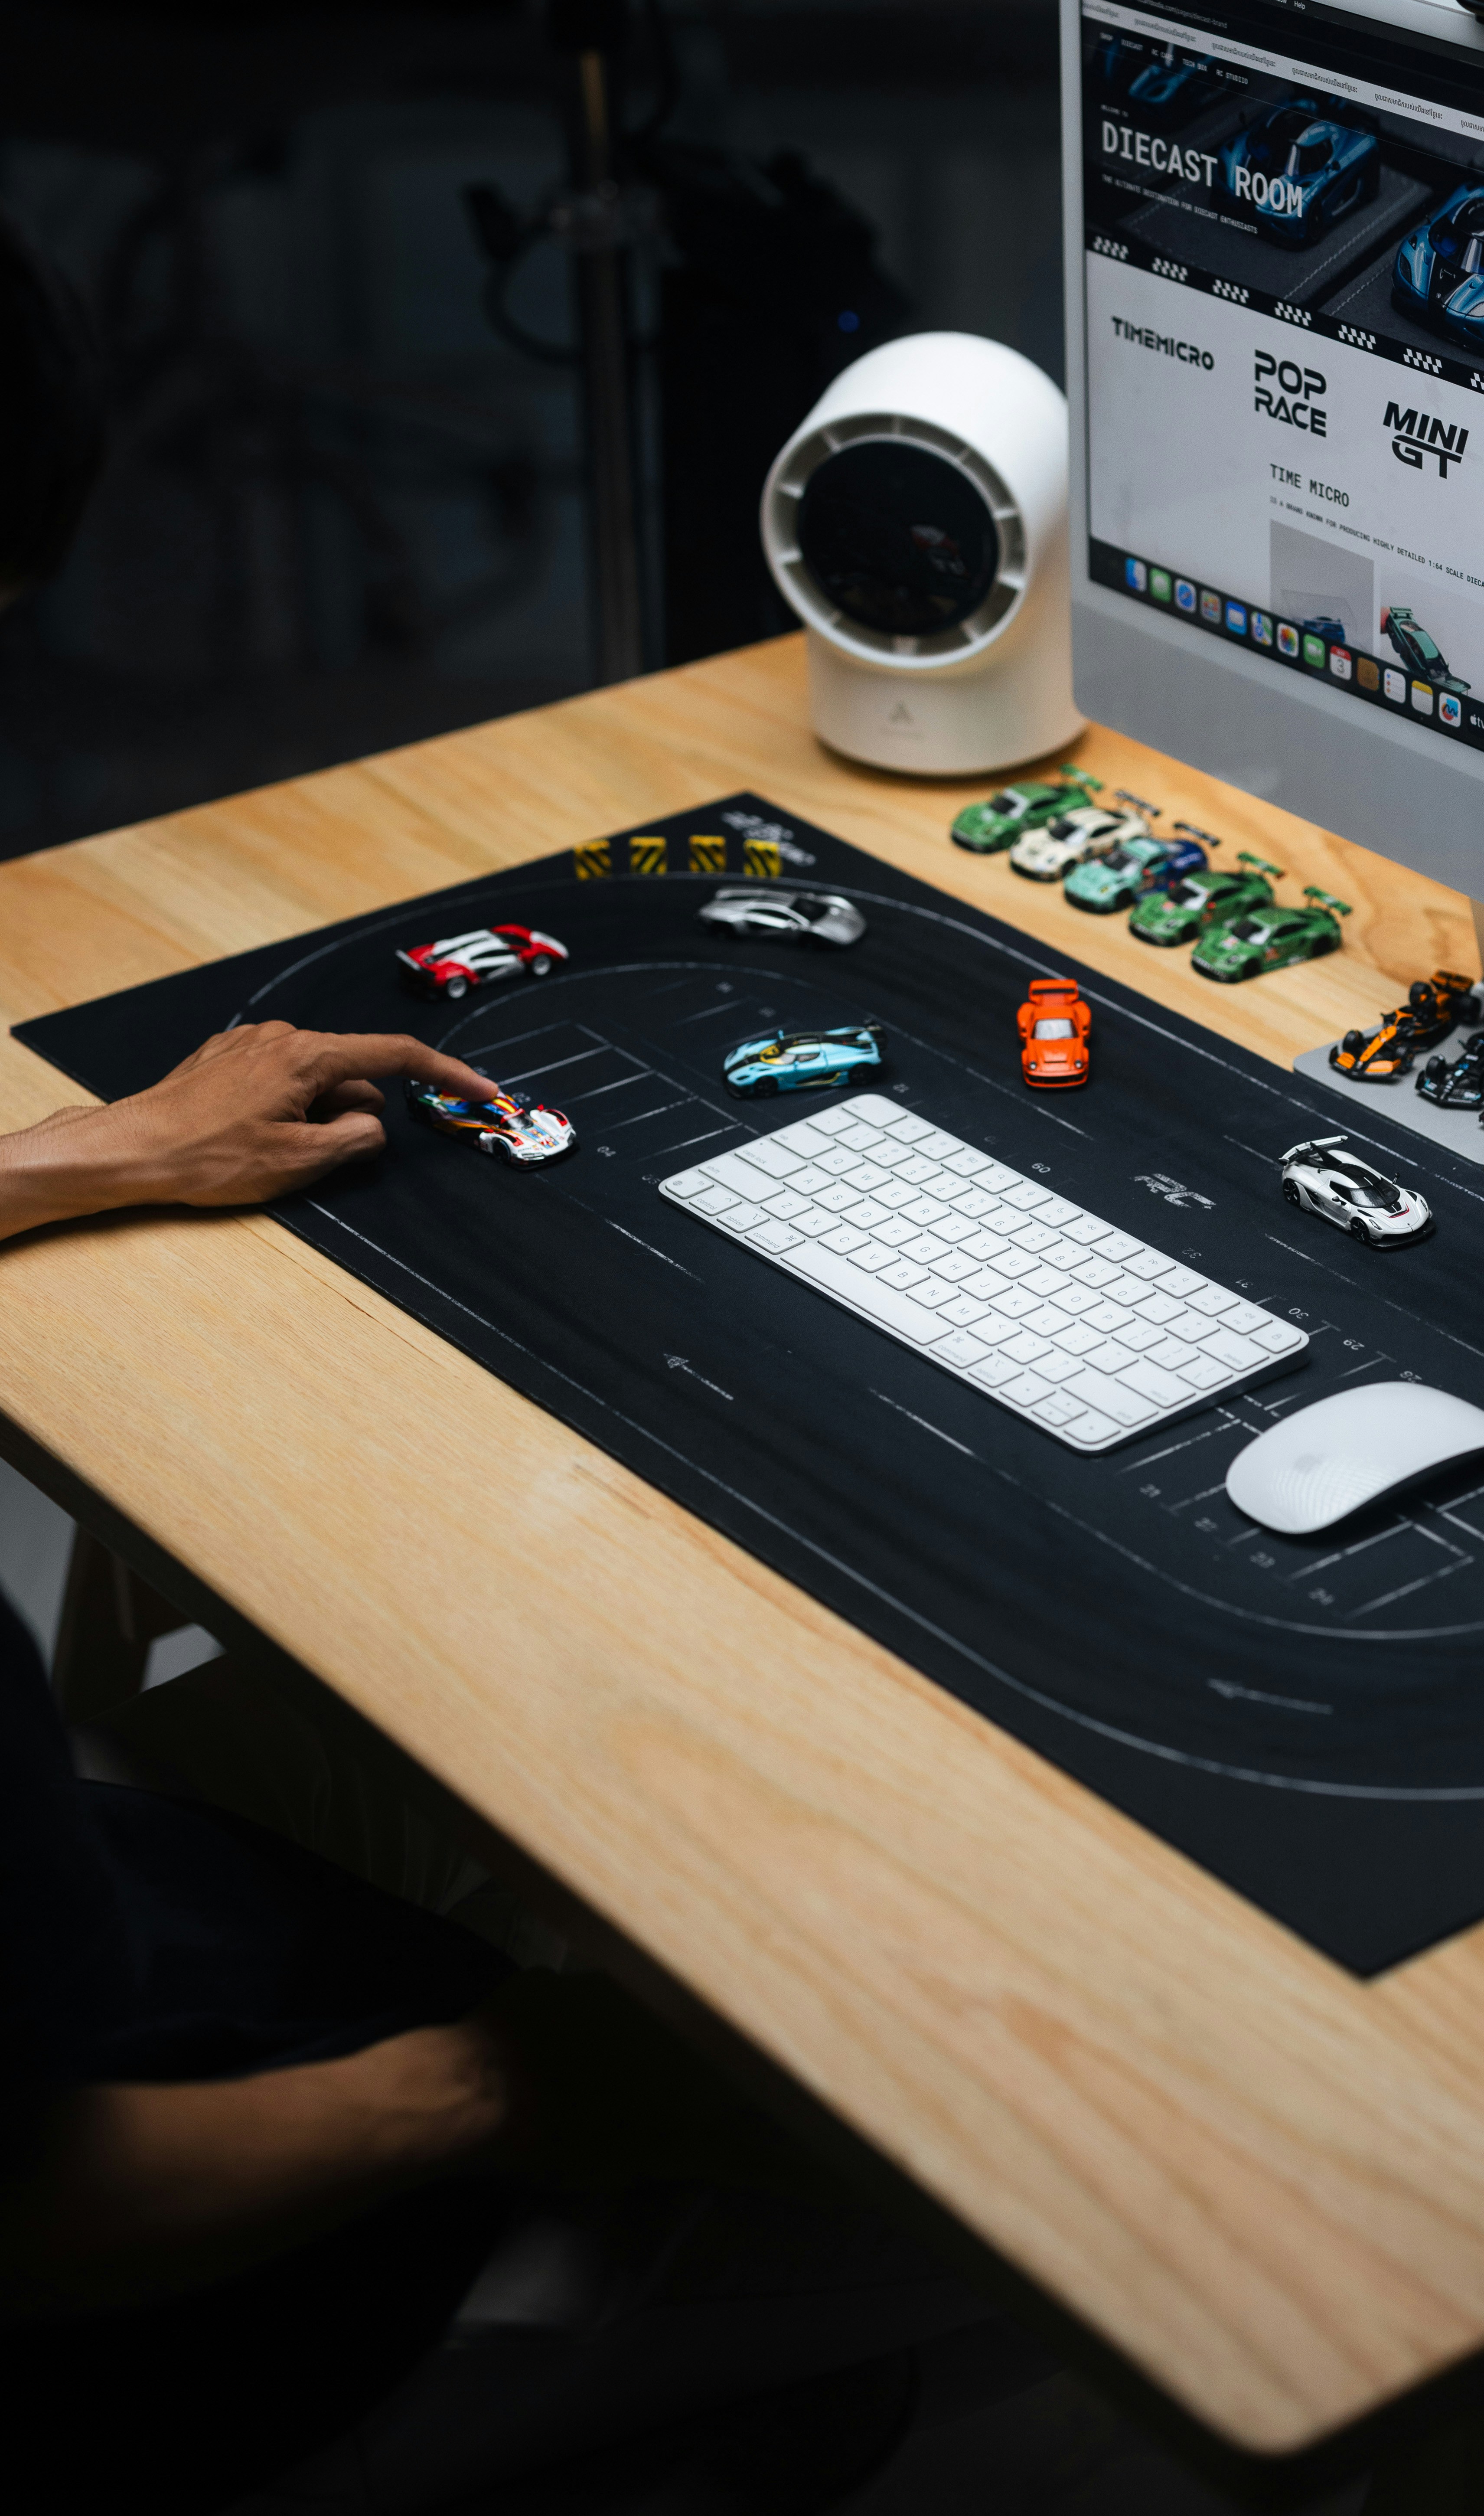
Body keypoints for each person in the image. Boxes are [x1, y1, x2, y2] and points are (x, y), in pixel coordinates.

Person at [0, 219, 1003, 2510]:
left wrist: (84, 1156)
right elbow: (36, 2225)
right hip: (140, 2327)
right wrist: (526, 2076)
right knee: (1078, 2185)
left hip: (113, 1965)